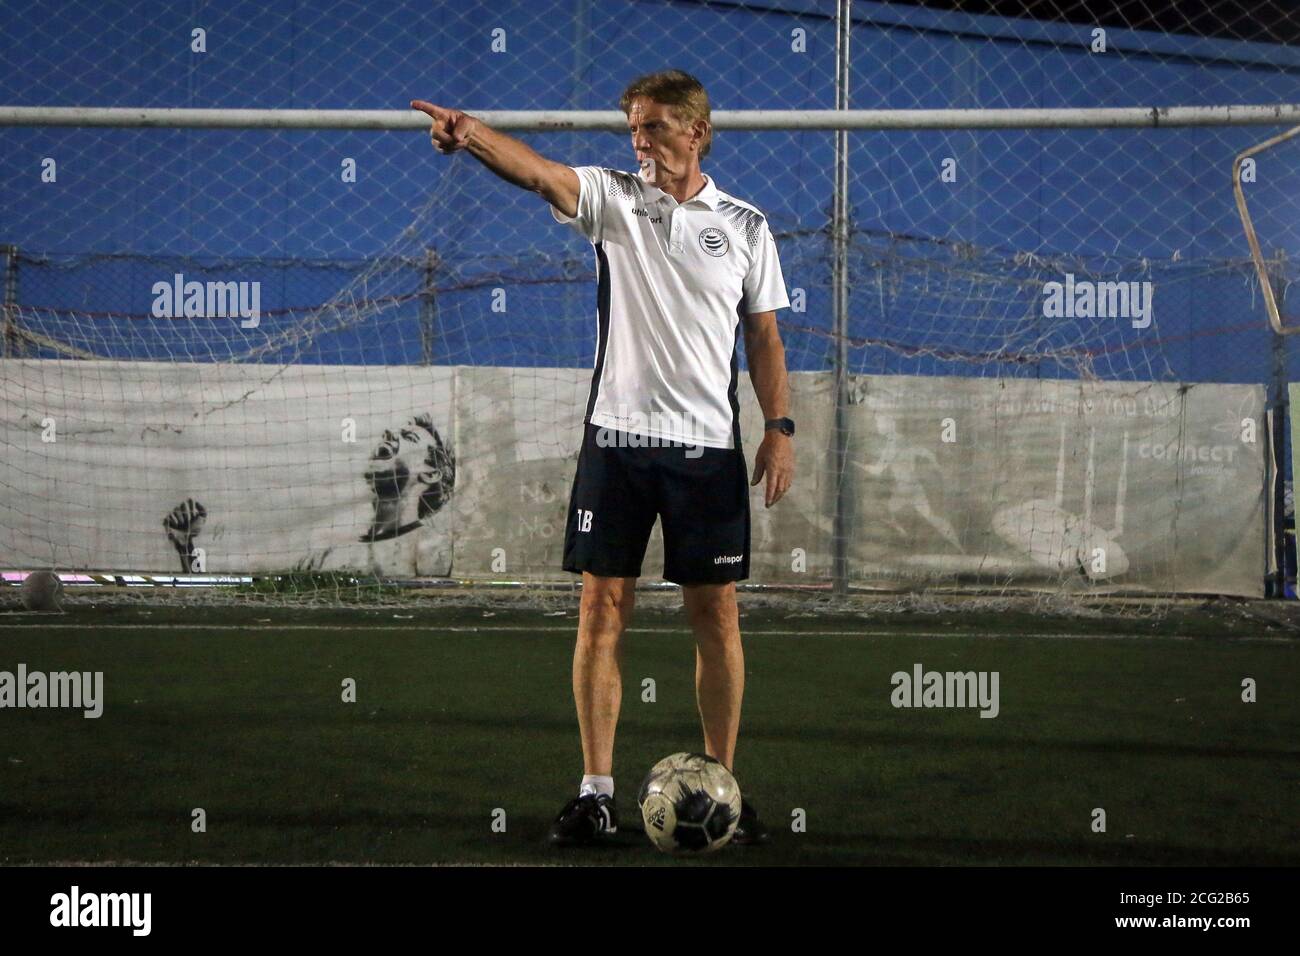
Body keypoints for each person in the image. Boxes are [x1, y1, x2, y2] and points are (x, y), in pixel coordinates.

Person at [412, 68, 795, 847]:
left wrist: (780, 426)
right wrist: (473, 133)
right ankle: (594, 793)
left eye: (653, 127)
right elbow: (539, 173)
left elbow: (763, 334)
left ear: (696, 131)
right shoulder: (614, 197)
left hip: (706, 448)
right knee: (600, 607)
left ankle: (721, 785)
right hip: (615, 442)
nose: (639, 141)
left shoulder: (748, 226)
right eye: (632, 128)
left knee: (715, 614)